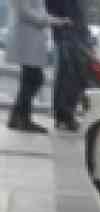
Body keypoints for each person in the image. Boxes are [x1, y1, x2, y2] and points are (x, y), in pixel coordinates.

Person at [5, 0, 65, 133]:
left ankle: (17, 117)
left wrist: (55, 20)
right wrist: (50, 21)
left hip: (31, 37)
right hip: (26, 37)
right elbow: (25, 12)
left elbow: (37, 10)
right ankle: (21, 118)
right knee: (34, 78)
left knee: (30, 79)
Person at [46, 0, 93, 131]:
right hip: (67, 35)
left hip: (75, 35)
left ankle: (66, 114)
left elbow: (80, 15)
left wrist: (86, 34)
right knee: (68, 77)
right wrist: (64, 23)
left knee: (74, 78)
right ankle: (64, 115)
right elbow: (52, 12)